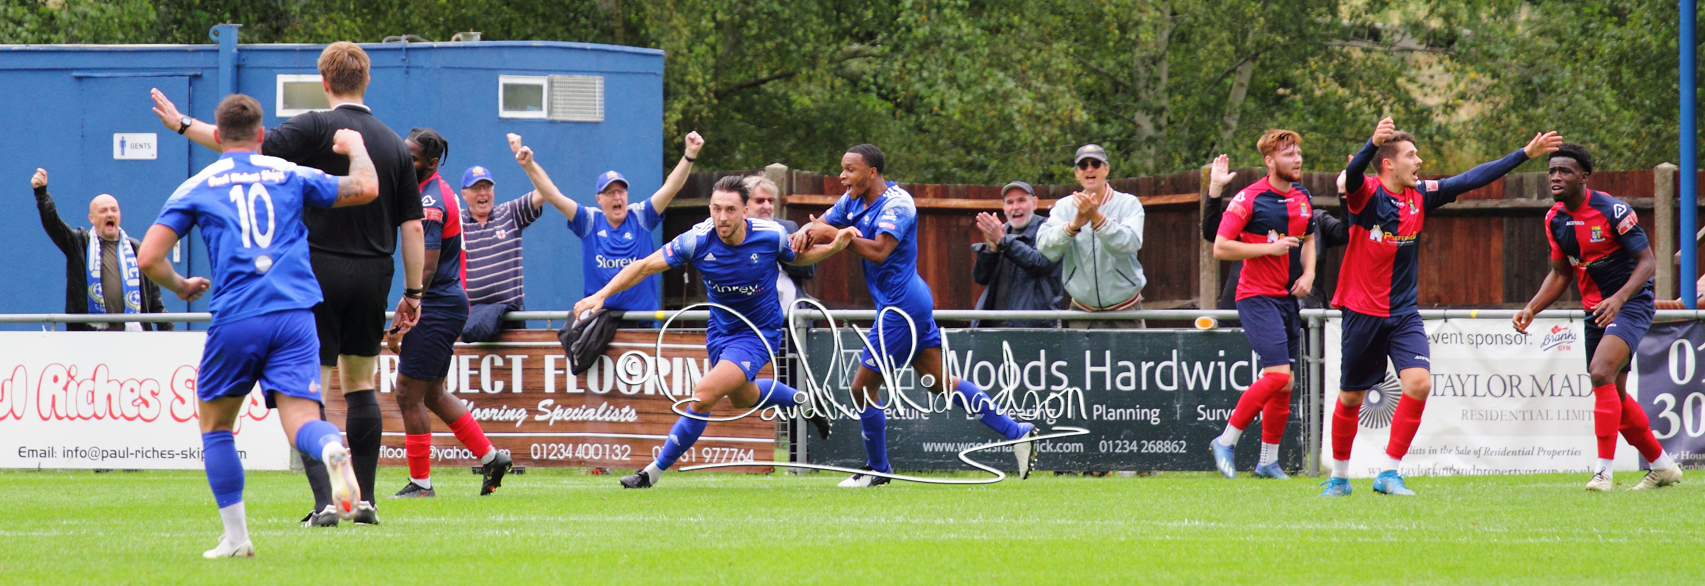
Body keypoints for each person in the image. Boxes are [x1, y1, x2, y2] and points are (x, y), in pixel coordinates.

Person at [151, 42, 424, 526]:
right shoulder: (393, 143)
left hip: (313, 274)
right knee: (361, 384)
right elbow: (413, 226)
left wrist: (182, 124)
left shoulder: (314, 126)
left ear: (325, 82)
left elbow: (243, 151)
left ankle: (325, 503)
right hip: (374, 272)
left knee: (309, 393)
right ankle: (365, 500)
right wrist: (414, 292)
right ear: (367, 80)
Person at [134, 93, 378, 558]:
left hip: (239, 316)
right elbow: (365, 187)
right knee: (302, 420)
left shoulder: (198, 185)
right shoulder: (289, 173)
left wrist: (181, 285)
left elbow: (148, 257)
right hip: (295, 316)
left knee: (216, 425)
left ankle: (237, 537)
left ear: (218, 135)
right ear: (262, 135)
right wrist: (355, 147)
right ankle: (331, 447)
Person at [1322, 117, 1560, 497]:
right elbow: (1352, 175)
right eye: (1411, 155)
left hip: (1403, 314)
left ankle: (1388, 472)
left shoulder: (1420, 195)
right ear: (1388, 163)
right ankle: (1339, 477)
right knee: (1351, 397)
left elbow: (1470, 179)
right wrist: (1371, 143)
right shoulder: (1366, 194)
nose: (1419, 161)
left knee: (1419, 384)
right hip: (1362, 311)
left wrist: (1524, 154)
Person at [571, 176, 849, 489]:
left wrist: (833, 248)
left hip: (758, 334)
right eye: (716, 208)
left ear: (745, 211)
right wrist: (601, 295)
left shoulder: (771, 235)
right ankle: (803, 400)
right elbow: (645, 266)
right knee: (744, 398)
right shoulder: (697, 239)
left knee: (702, 395)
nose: (722, 217)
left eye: (730, 209)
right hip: (720, 332)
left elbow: (797, 257)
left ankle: (651, 473)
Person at [792, 144, 1040, 487]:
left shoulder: (899, 204)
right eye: (842, 168)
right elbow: (820, 225)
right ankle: (1017, 431)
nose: (842, 176)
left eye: (850, 169)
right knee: (939, 383)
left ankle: (877, 469)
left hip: (902, 306)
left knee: (862, 388)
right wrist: (803, 234)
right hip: (905, 302)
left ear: (872, 173)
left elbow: (879, 251)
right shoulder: (852, 200)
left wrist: (834, 235)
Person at [1511, 142, 1684, 491]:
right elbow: (1560, 273)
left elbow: (1647, 263)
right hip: (1596, 310)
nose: (1555, 177)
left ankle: (1603, 472)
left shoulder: (1613, 210)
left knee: (1601, 371)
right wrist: (1532, 307)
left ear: (1584, 177)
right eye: (1552, 171)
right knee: (1614, 394)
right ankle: (1663, 466)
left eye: (1564, 171)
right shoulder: (1554, 219)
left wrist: (1619, 298)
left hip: (1630, 303)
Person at [386, 128, 515, 498]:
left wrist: (407, 308)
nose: (405, 162)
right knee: (432, 393)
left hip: (437, 303)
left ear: (431, 162)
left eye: (412, 158)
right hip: (446, 301)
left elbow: (426, 267)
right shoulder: (431, 191)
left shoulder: (431, 200)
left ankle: (421, 484)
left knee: (408, 393)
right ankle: (491, 458)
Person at [1202, 130, 1316, 481]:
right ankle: (1225, 440)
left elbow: (1309, 238)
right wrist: (1268, 249)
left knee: (1285, 383)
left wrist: (1309, 273)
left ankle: (1268, 462)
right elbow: (1220, 247)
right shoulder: (1249, 198)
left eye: (1297, 152)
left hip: (1286, 299)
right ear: (1269, 161)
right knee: (1277, 375)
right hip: (1255, 297)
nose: (1296, 159)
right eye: (1287, 154)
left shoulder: (1302, 196)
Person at [568, 132, 704, 324]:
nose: (617, 197)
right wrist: (530, 166)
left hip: (642, 322)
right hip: (600, 322)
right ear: (599, 199)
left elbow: (670, 188)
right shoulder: (589, 221)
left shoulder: (642, 216)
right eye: (610, 192)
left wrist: (689, 155)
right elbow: (554, 197)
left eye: (621, 191)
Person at [459, 134, 582, 342]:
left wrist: (528, 164)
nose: (483, 193)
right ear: (464, 194)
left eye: (487, 187)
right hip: (469, 321)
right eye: (476, 188)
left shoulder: (509, 213)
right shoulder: (456, 222)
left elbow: (547, 192)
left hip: (510, 320)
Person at [30, 169, 174, 331]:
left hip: (133, 338)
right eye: (103, 211)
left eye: (113, 210)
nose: (109, 214)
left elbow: (154, 300)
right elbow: (53, 225)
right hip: (90, 336)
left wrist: (168, 332)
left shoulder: (136, 249)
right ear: (91, 218)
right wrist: (41, 194)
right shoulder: (79, 244)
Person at [1202, 158, 1351, 310]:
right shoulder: (1255, 216)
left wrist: (1345, 195)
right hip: (1249, 303)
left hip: (1297, 306)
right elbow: (1213, 234)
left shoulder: (1316, 221)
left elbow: (1346, 233)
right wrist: (1215, 188)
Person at [1035, 144, 1147, 328]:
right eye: (1083, 165)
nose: (1089, 169)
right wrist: (1072, 227)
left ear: (1106, 169)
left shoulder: (1128, 204)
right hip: (1081, 311)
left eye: (1095, 163)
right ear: (1076, 173)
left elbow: (1129, 244)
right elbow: (1044, 246)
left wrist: (1097, 219)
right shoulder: (1064, 207)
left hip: (1125, 310)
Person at [971, 180, 1062, 328]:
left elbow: (1038, 263)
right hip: (991, 327)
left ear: (1034, 203)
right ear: (1004, 208)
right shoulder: (1000, 231)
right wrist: (991, 250)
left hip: (1034, 329)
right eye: (1010, 202)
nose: (1015, 207)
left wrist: (1003, 242)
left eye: (1021, 200)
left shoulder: (1049, 230)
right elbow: (980, 278)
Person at [743, 175, 815, 313]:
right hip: (749, 312)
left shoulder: (787, 228)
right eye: (759, 201)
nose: (767, 206)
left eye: (770, 201)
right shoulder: (733, 233)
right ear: (744, 204)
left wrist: (780, 250)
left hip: (791, 313)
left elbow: (809, 271)